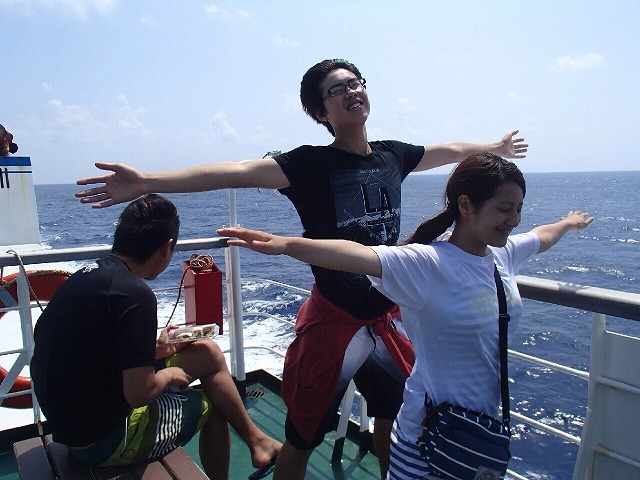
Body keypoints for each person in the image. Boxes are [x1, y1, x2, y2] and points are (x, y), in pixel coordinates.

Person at [74, 58, 528, 479]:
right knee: (303, 435)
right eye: (337, 89)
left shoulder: (394, 156)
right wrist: (147, 182)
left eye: (356, 83)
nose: (351, 91)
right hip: (334, 323)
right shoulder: (310, 164)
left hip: (383, 319)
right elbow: (237, 171)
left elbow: (449, 149)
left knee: (393, 414)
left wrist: (496, 146)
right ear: (320, 112)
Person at [216, 152, 594, 479]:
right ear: (466, 205)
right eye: (505, 209)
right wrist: (285, 244)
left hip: (478, 428)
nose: (514, 219)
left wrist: (567, 223)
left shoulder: (503, 254)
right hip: (427, 435)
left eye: (519, 208)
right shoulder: (427, 263)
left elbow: (542, 236)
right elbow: (356, 255)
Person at [30, 194, 281, 480]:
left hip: (72, 419)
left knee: (208, 352)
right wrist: (168, 374)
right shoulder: (136, 296)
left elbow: (93, 350)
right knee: (213, 408)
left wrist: (156, 350)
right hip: (100, 441)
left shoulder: (85, 276)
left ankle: (258, 442)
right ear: (166, 247)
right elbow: (139, 394)